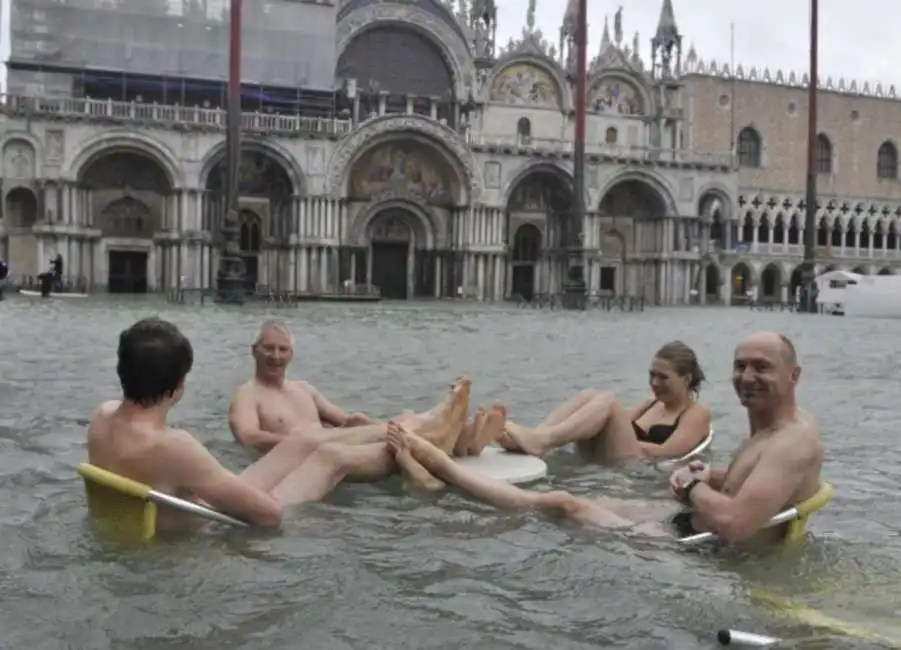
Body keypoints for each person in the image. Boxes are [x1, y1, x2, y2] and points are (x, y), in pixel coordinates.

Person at [388, 332, 823, 546]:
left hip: (698, 546)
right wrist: (711, 474)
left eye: (761, 367)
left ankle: (442, 469)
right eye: (741, 366)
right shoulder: (771, 431)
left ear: (794, 376)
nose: (747, 377)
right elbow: (754, 483)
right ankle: (523, 445)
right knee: (570, 492)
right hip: (682, 515)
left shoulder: (792, 440)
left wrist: (693, 485)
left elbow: (736, 524)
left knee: (564, 502)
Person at [86, 318, 462, 534]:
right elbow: (269, 515)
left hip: (182, 507)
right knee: (329, 455)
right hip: (210, 521)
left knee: (304, 440)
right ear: (179, 386)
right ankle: (424, 443)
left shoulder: (102, 417)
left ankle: (421, 424)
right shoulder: (174, 447)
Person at [228, 319, 506, 462]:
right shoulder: (248, 395)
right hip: (306, 456)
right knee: (395, 432)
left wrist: (357, 425)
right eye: (269, 348)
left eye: (282, 349)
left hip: (336, 444)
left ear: (292, 355)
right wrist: (301, 441)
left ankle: (456, 438)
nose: (275, 356)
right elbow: (248, 436)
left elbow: (346, 421)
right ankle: (445, 431)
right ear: (254, 351)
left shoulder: (304, 389)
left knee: (363, 420)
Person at [499, 341, 711, 462]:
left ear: (686, 379)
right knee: (590, 396)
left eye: (663, 377)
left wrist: (616, 441)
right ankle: (537, 437)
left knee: (609, 402)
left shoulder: (696, 413)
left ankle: (541, 441)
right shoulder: (650, 404)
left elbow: (668, 453)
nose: (654, 383)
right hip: (618, 455)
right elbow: (613, 423)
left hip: (638, 465)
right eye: (651, 375)